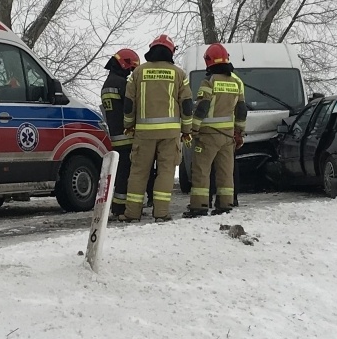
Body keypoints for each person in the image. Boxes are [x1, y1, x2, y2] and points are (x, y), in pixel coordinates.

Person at [120, 34, 193, 222]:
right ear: (170, 51)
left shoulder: (138, 72)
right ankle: (161, 213)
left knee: (138, 172)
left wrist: (128, 125)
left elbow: (129, 103)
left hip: (144, 132)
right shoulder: (179, 74)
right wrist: (187, 130)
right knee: (166, 171)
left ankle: (132, 213)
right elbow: (186, 104)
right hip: (170, 133)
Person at [184, 44, 249, 218]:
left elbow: (202, 108)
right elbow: (242, 110)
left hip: (208, 135)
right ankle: (225, 204)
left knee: (201, 169)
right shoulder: (236, 82)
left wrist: (193, 128)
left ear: (208, 61)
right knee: (226, 171)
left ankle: (199, 206)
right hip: (228, 136)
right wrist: (239, 132)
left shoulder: (209, 82)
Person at [99, 48, 139, 216]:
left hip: (115, 137)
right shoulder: (122, 84)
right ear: (125, 64)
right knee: (126, 173)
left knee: (119, 173)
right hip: (127, 137)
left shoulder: (107, 84)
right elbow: (131, 108)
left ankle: (117, 206)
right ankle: (121, 208)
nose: (130, 72)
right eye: (130, 69)